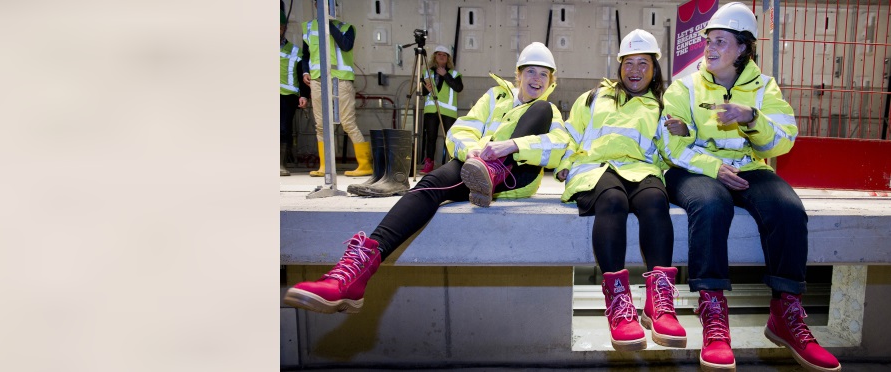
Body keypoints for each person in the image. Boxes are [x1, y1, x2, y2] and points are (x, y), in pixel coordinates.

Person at [283, 42, 571, 313]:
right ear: (518, 75)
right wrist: (472, 151)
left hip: (514, 176)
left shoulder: (550, 109)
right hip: (477, 168)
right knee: (430, 184)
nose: (537, 78)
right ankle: (354, 273)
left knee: (540, 109)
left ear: (551, 81)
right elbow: (462, 129)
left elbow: (559, 145)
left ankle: (493, 171)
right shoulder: (494, 97)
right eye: (530, 71)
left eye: (544, 74)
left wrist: (511, 146)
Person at [658, 3, 842, 371]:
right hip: (693, 168)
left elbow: (783, 141)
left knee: (787, 208)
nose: (710, 48)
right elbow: (669, 144)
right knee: (711, 205)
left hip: (747, 166)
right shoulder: (683, 86)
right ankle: (713, 314)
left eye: (721, 42)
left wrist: (752, 118)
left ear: (743, 48)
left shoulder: (764, 88)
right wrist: (713, 167)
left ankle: (785, 313)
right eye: (708, 40)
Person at [555, 29, 685, 352]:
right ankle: (619, 304)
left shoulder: (660, 105)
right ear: (619, 66)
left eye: (643, 63)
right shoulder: (594, 97)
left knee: (656, 200)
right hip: (596, 170)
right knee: (612, 200)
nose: (635, 70)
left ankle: (660, 303)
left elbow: (670, 151)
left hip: (640, 170)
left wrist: (682, 132)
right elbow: (569, 133)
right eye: (629, 63)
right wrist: (563, 161)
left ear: (654, 69)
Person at [301, 0, 371, 177]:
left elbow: (346, 45)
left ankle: (365, 165)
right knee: (321, 125)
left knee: (348, 122)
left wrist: (328, 24)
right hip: (317, 80)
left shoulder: (347, 27)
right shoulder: (308, 27)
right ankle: (325, 167)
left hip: (341, 80)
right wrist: (304, 72)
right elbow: (305, 55)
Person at [419, 45, 463, 174]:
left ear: (448, 58)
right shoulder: (426, 72)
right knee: (430, 137)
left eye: (444, 55)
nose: (441, 57)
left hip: (448, 111)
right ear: (435, 57)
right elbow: (422, 93)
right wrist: (426, 88)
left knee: (449, 138)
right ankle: (429, 162)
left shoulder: (454, 74)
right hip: (431, 109)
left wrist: (445, 75)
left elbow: (458, 88)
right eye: (439, 54)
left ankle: (451, 164)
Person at [279, 6, 309, 176]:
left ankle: (280, 165)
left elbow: (302, 75)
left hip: (287, 96)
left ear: (284, 29)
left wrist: (304, 95)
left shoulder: (294, 51)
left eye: (280, 28)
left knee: (283, 129)